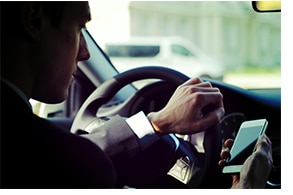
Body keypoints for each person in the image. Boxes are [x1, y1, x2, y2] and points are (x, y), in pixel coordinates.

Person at [0, 1, 272, 189]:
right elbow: (76, 162)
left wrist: (158, 122)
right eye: (79, 28)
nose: (85, 53)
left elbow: (80, 156)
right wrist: (248, 187)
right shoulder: (69, 163)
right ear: (34, 20)